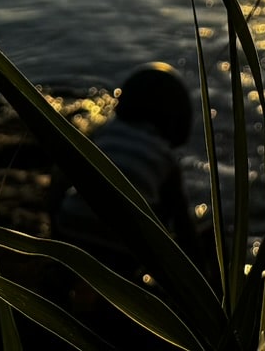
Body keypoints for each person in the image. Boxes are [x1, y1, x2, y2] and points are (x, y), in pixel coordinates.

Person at [52, 62, 206, 278]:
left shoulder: (102, 133)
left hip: (70, 226)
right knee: (160, 211)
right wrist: (202, 273)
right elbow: (183, 226)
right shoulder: (165, 158)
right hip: (123, 247)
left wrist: (54, 222)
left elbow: (61, 179)